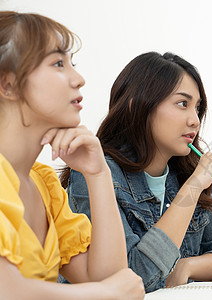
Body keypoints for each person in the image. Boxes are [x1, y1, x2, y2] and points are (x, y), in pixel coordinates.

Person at [61, 51, 212, 292]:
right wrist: (193, 188)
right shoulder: (94, 174)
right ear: (138, 105)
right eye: (182, 104)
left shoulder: (182, 173)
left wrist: (187, 266)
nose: (195, 120)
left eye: (197, 107)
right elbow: (133, 279)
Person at [0, 11, 144, 299]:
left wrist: (98, 174)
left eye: (72, 64)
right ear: (8, 84)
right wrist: (106, 293)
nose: (79, 79)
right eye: (58, 63)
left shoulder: (43, 184)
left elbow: (109, 277)